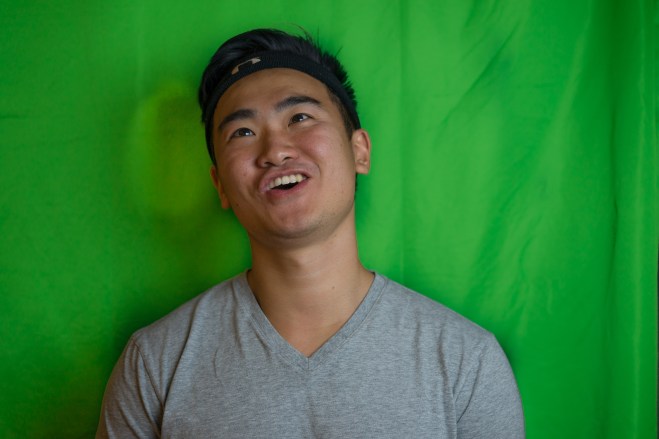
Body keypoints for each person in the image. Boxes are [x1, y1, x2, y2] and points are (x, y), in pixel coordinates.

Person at [97, 28, 525, 438]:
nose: (275, 150)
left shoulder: (466, 361)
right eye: (243, 132)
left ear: (359, 151)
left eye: (299, 117)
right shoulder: (154, 365)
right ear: (220, 186)